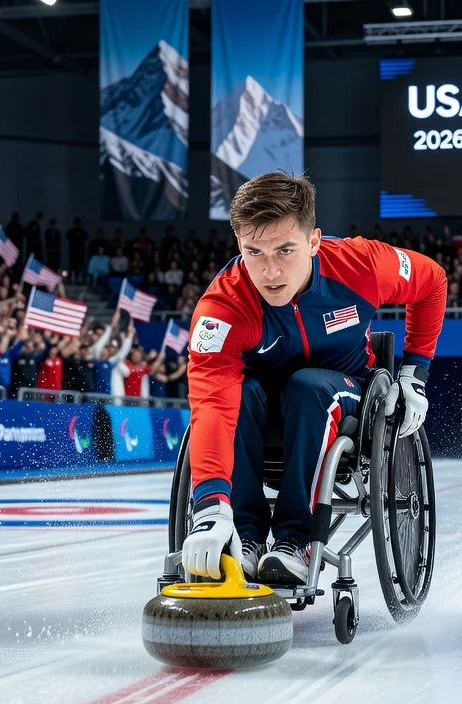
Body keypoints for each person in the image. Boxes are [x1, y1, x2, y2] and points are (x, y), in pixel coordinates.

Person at [181, 170, 446, 585]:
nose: (270, 272)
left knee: (308, 388)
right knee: (240, 394)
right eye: (255, 252)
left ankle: (296, 540)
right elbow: (212, 403)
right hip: (263, 401)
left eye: (285, 250)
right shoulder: (223, 308)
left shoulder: (362, 265)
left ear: (314, 241)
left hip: (342, 389)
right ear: (238, 245)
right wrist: (210, 506)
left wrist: (415, 371)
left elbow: (433, 282)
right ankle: (245, 537)